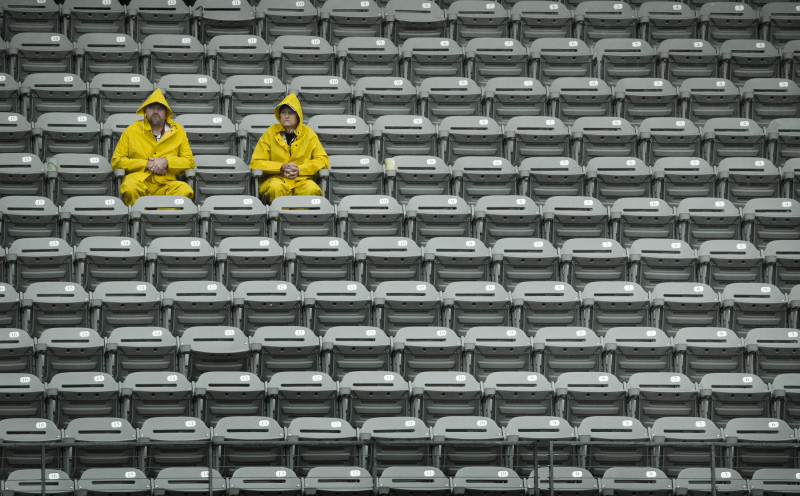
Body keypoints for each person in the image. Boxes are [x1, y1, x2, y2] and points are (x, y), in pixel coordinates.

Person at [111, 88, 195, 206]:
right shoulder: (131, 130)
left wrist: (167, 162)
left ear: (166, 113)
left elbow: (189, 162)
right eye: (151, 108)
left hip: (166, 184)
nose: (155, 112)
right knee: (130, 188)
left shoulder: (178, 131)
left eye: (160, 108)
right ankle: (140, 222)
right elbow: (116, 161)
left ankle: (162, 222)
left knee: (184, 190)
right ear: (145, 110)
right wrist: (146, 164)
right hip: (138, 182)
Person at [249, 93, 329, 203]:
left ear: (298, 116)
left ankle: (301, 220)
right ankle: (279, 220)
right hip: (276, 179)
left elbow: (323, 160)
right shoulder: (270, 132)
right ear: (279, 115)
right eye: (283, 112)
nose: (286, 116)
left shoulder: (309, 134)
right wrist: (280, 167)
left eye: (290, 113)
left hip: (302, 180)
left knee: (310, 189)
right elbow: (256, 163)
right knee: (275, 187)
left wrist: (300, 170)